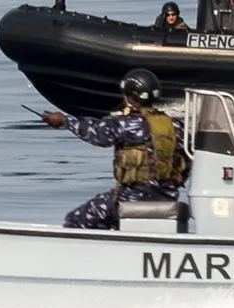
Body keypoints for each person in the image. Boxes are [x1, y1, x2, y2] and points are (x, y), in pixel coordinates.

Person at [41, 68, 188, 229]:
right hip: (167, 198)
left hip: (133, 198)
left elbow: (97, 134)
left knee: (77, 219)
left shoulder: (124, 123)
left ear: (130, 97)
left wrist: (64, 121)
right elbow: (187, 160)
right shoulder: (175, 126)